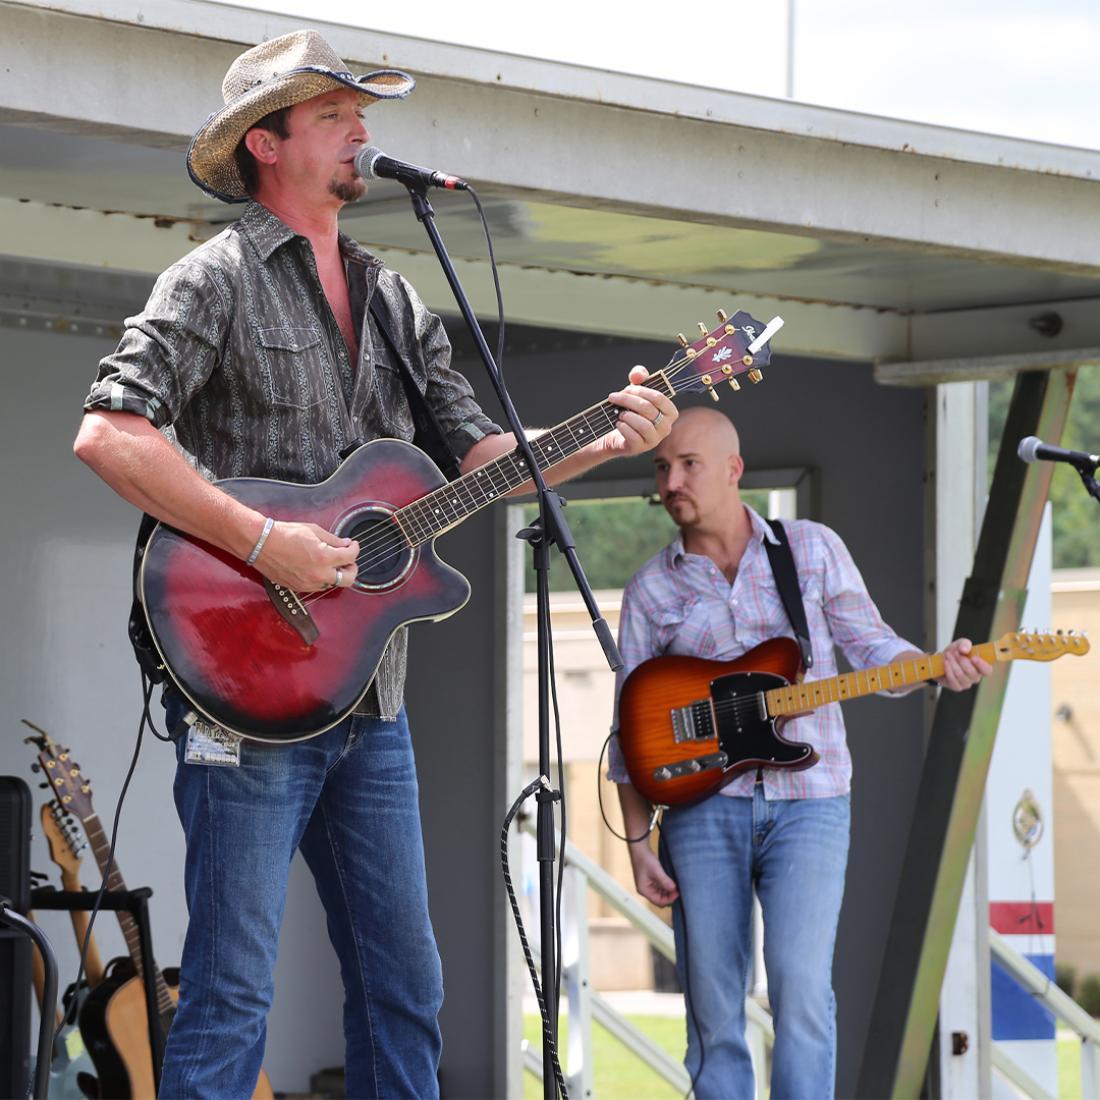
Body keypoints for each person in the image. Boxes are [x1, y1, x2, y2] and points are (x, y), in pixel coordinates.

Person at [72, 30, 677, 1099]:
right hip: (240, 696)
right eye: (335, 116)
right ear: (266, 142)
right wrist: (270, 543)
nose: (363, 132)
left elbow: (478, 456)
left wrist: (601, 439)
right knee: (230, 992)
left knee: (408, 986)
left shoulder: (392, 295)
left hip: (369, 702)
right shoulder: (212, 278)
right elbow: (112, 434)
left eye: (362, 115)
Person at [608, 406, 990, 1099]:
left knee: (803, 987)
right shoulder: (650, 588)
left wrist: (935, 665)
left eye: (687, 464)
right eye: (661, 468)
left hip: (812, 805)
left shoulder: (810, 550)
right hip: (701, 813)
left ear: (733, 470)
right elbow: (627, 736)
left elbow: (873, 646)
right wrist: (637, 842)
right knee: (712, 1002)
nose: (670, 481)